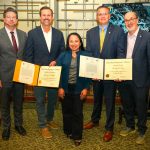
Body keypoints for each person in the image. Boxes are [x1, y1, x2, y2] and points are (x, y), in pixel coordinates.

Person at [84, 6, 125, 142]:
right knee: (97, 98)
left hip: (110, 73)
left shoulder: (118, 31)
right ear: (97, 17)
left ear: (109, 16)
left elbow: (120, 53)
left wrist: (119, 71)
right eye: (100, 14)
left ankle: (109, 128)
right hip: (95, 73)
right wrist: (91, 72)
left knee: (109, 101)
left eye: (105, 14)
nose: (102, 16)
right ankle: (95, 120)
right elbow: (89, 54)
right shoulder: (90, 32)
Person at [24, 6, 65, 139]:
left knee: (53, 100)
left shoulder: (59, 34)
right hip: (38, 74)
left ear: (52, 17)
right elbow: (28, 55)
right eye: (44, 15)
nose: (46, 17)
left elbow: (62, 53)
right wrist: (31, 73)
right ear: (40, 17)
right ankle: (43, 125)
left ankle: (49, 119)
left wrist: (56, 61)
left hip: (53, 74)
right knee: (40, 100)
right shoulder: (32, 33)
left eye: (49, 15)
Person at [119, 11, 150, 145]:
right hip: (124, 78)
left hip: (141, 79)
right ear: (124, 22)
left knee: (141, 106)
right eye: (126, 20)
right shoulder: (122, 37)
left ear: (137, 20)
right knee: (127, 104)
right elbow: (119, 56)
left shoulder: (147, 36)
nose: (129, 22)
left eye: (132, 19)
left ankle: (142, 130)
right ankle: (130, 125)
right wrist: (117, 73)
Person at [57, 32, 91, 146]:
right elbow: (58, 73)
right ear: (68, 43)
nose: (74, 43)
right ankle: (68, 130)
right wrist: (60, 88)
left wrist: (86, 88)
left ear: (80, 42)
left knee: (77, 112)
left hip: (79, 89)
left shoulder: (86, 55)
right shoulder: (62, 55)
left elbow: (88, 74)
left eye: (76, 41)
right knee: (66, 112)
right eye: (71, 41)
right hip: (65, 89)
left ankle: (77, 135)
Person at [0, 7, 27, 140]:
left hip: (20, 76)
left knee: (18, 102)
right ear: (4, 19)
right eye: (8, 16)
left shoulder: (23, 34)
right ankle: (6, 127)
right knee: (4, 104)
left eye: (14, 17)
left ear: (17, 20)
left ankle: (18, 124)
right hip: (4, 77)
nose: (11, 19)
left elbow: (25, 56)